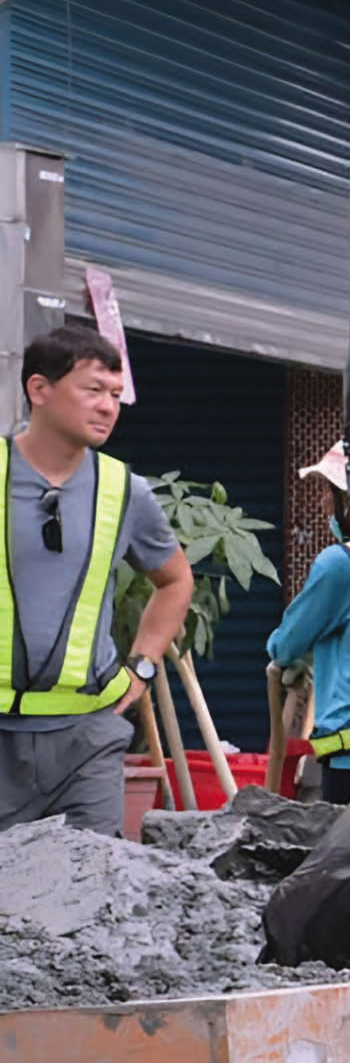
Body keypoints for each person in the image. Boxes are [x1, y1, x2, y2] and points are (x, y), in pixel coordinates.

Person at [1, 324, 189, 837]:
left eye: (114, 394)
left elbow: (175, 581)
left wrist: (143, 667)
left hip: (90, 737)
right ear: (39, 389)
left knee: (92, 894)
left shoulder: (124, 490)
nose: (109, 406)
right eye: (92, 390)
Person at [264, 442, 350, 799]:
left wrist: (291, 656)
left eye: (331, 491)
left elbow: (286, 644)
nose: (324, 502)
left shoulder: (341, 563)